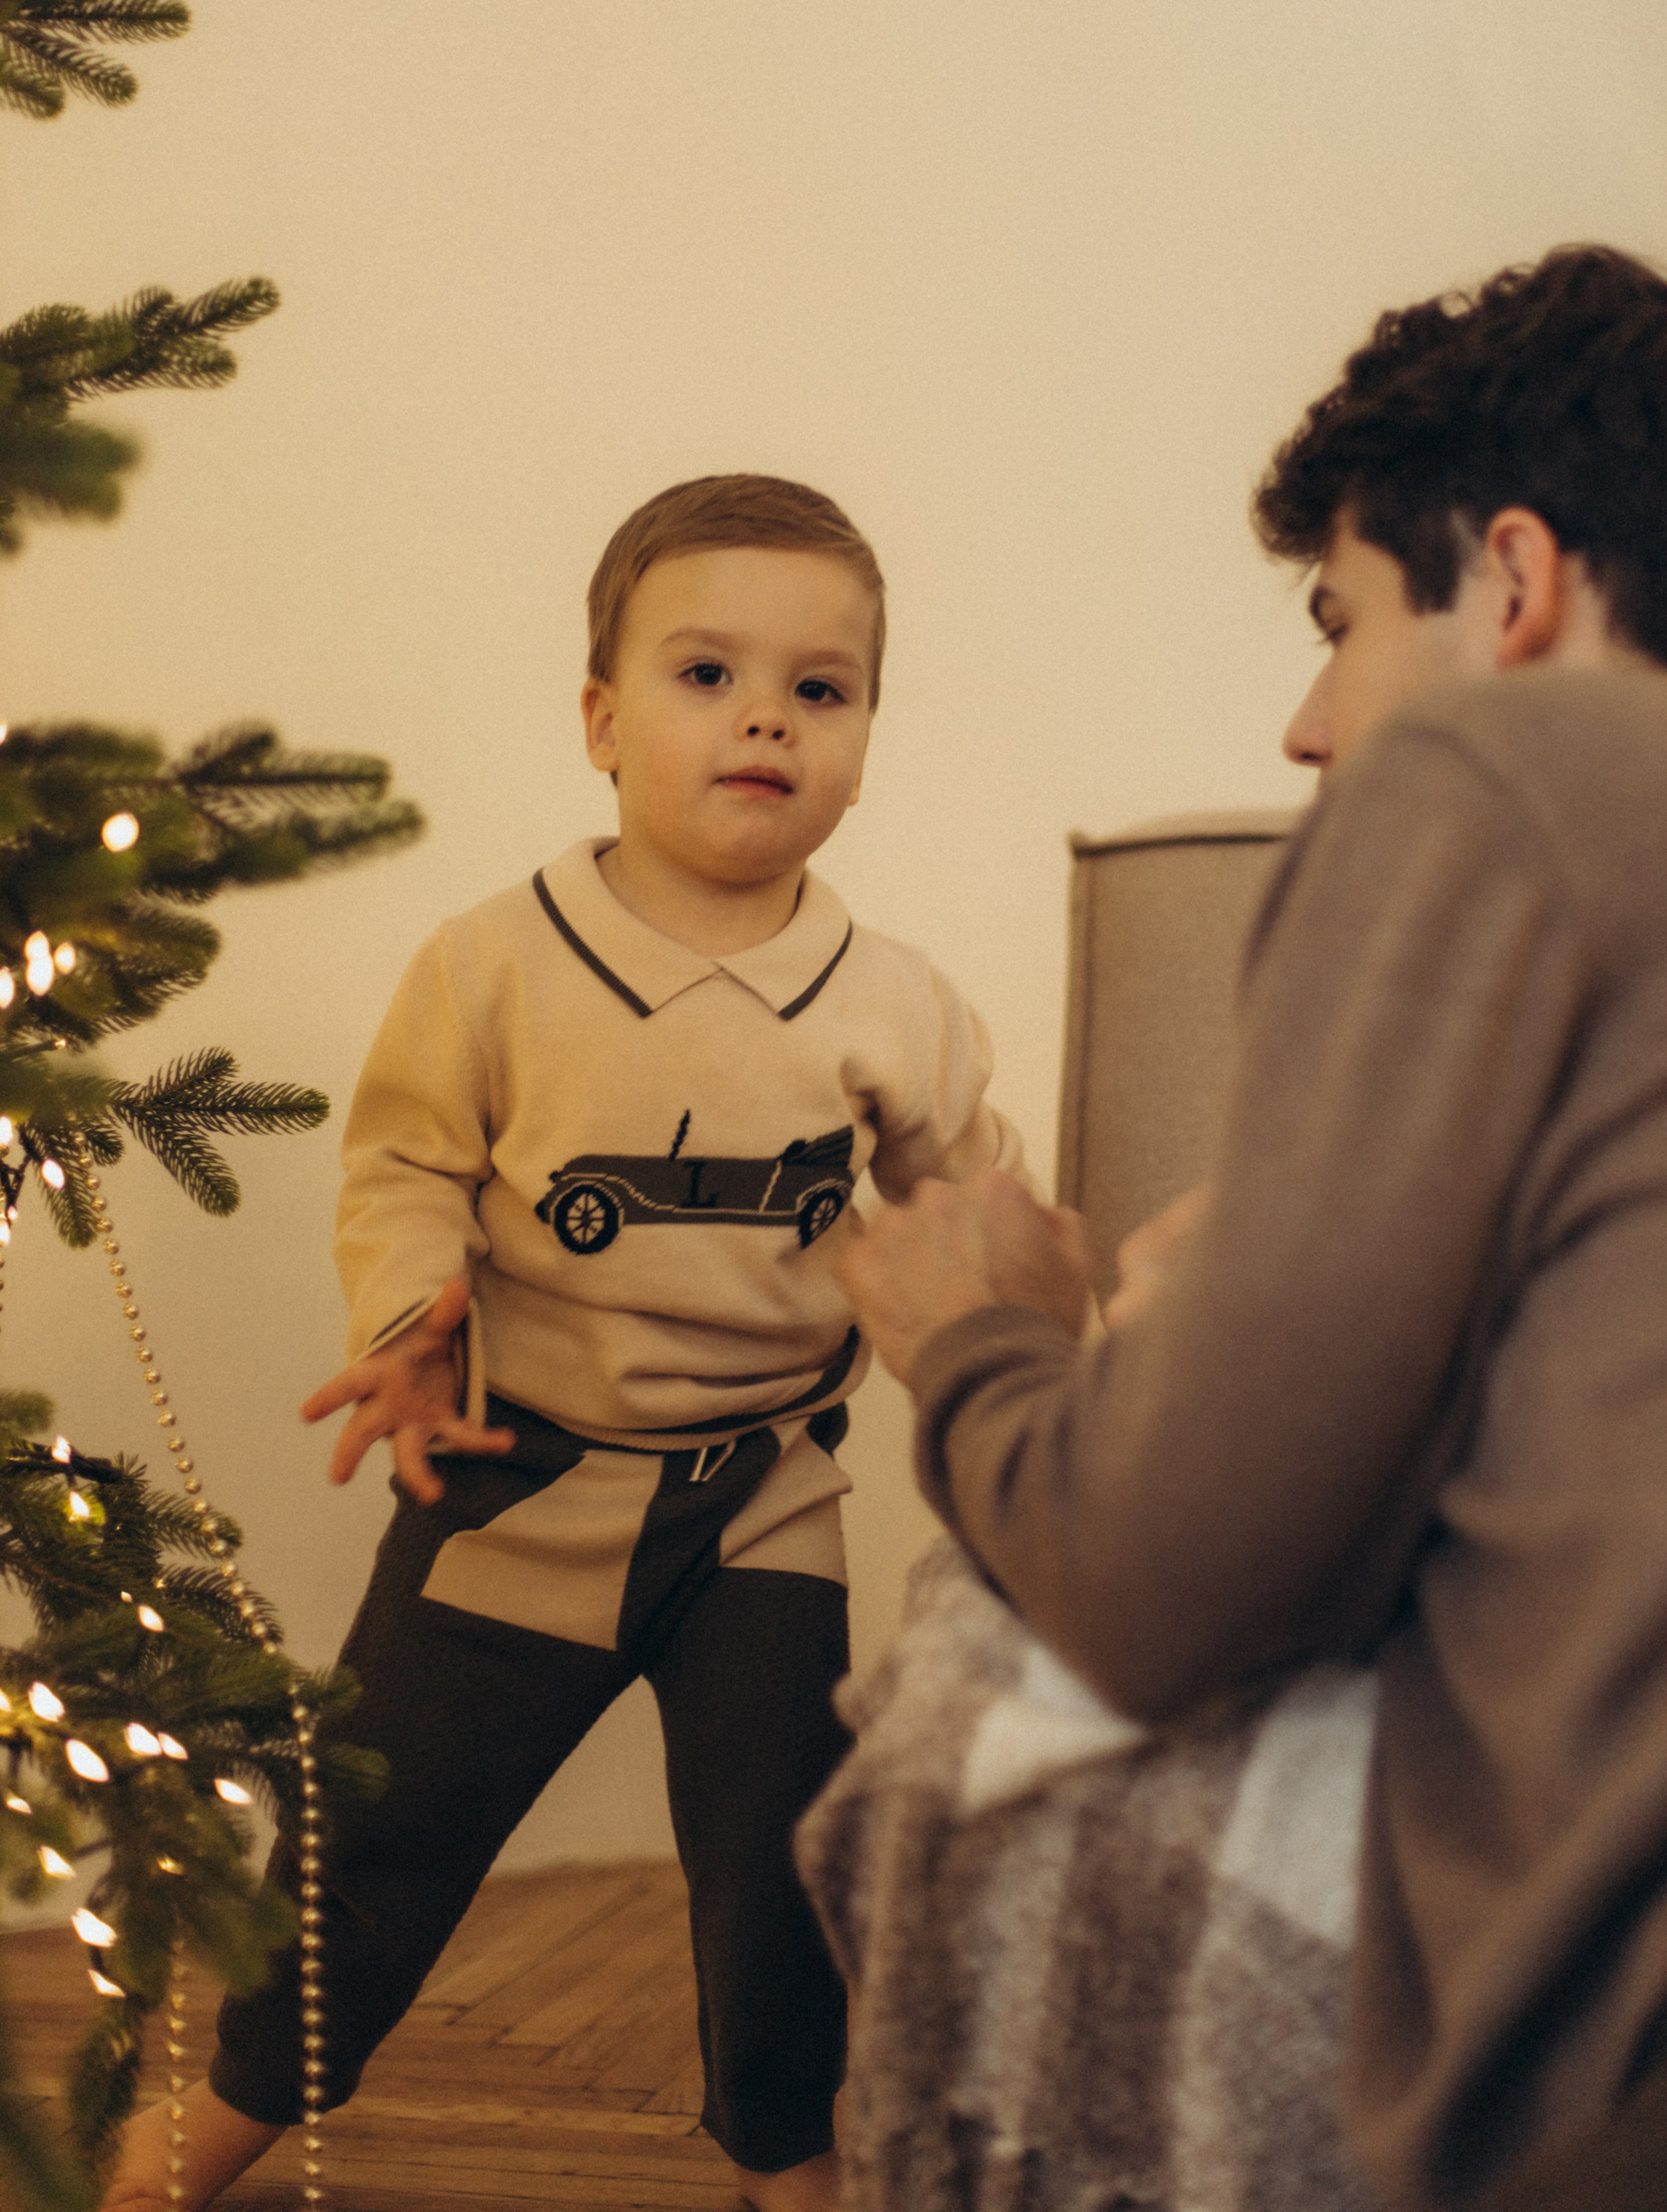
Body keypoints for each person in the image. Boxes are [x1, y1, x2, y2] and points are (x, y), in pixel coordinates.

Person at [834, 245, 1667, 2211]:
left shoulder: (1502, 764)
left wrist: (990, 1342)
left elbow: (1168, 1584)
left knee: (955, 1707)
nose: (1309, 726)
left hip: (1593, 2088)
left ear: (1518, 585)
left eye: (1344, 619)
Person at [103, 473, 1023, 2212]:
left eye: (820, 691)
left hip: (759, 1498)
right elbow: (402, 1165)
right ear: (601, 721)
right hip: (520, 1479)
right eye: (706, 675)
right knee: (374, 1837)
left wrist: (1032, 1342)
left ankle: (791, 2152)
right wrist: (408, 1316)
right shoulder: (497, 967)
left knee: (785, 1868)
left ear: (866, 737)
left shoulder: (900, 1004)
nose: (766, 716)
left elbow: (973, 1216)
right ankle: (229, 2111)